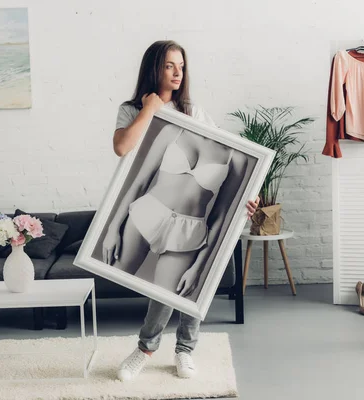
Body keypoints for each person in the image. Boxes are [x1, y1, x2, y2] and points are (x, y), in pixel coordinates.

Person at [110, 40, 259, 381]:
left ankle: (176, 349)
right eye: (169, 66)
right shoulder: (131, 109)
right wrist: (149, 109)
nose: (177, 73)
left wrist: (246, 200)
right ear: (154, 68)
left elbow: (228, 160)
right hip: (148, 211)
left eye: (181, 66)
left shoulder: (194, 113)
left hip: (191, 223)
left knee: (181, 286)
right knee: (129, 272)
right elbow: (122, 147)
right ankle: (148, 348)